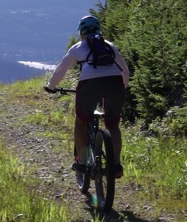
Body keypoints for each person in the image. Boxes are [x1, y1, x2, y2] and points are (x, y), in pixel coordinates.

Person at [44, 15, 130, 178]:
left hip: (89, 85)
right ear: (99, 30)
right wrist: (121, 89)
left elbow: (60, 71)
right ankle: (116, 165)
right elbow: (125, 71)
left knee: (81, 122)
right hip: (115, 84)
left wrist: (50, 87)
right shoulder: (109, 46)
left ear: (81, 32)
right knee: (113, 125)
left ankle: (82, 162)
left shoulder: (77, 48)